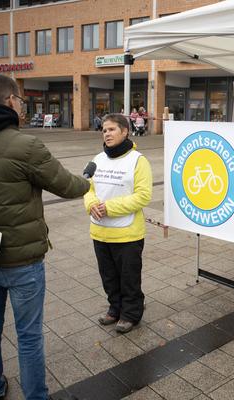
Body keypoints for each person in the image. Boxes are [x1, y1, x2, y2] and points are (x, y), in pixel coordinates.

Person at [0, 74, 90, 400]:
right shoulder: (26, 145)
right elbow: (66, 186)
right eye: (21, 101)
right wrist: (88, 181)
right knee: (28, 336)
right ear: (11, 100)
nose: (22, 107)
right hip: (24, 263)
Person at [84, 114, 152, 334]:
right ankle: (115, 309)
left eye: (112, 129)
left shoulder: (138, 161)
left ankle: (131, 314)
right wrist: (91, 204)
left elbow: (143, 196)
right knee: (109, 277)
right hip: (100, 232)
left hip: (128, 233)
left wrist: (109, 207)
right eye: (104, 130)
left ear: (125, 131)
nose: (107, 134)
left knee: (129, 278)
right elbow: (89, 189)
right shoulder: (97, 159)